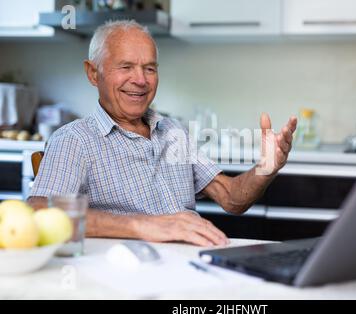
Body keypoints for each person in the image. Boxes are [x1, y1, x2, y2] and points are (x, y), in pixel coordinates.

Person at [28, 20, 297, 247]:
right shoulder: (74, 140)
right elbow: (40, 212)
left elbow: (231, 198)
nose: (141, 80)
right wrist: (144, 225)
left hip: (189, 267)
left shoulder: (173, 131)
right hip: (122, 277)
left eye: (150, 68)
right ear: (93, 73)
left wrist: (266, 168)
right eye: (126, 67)